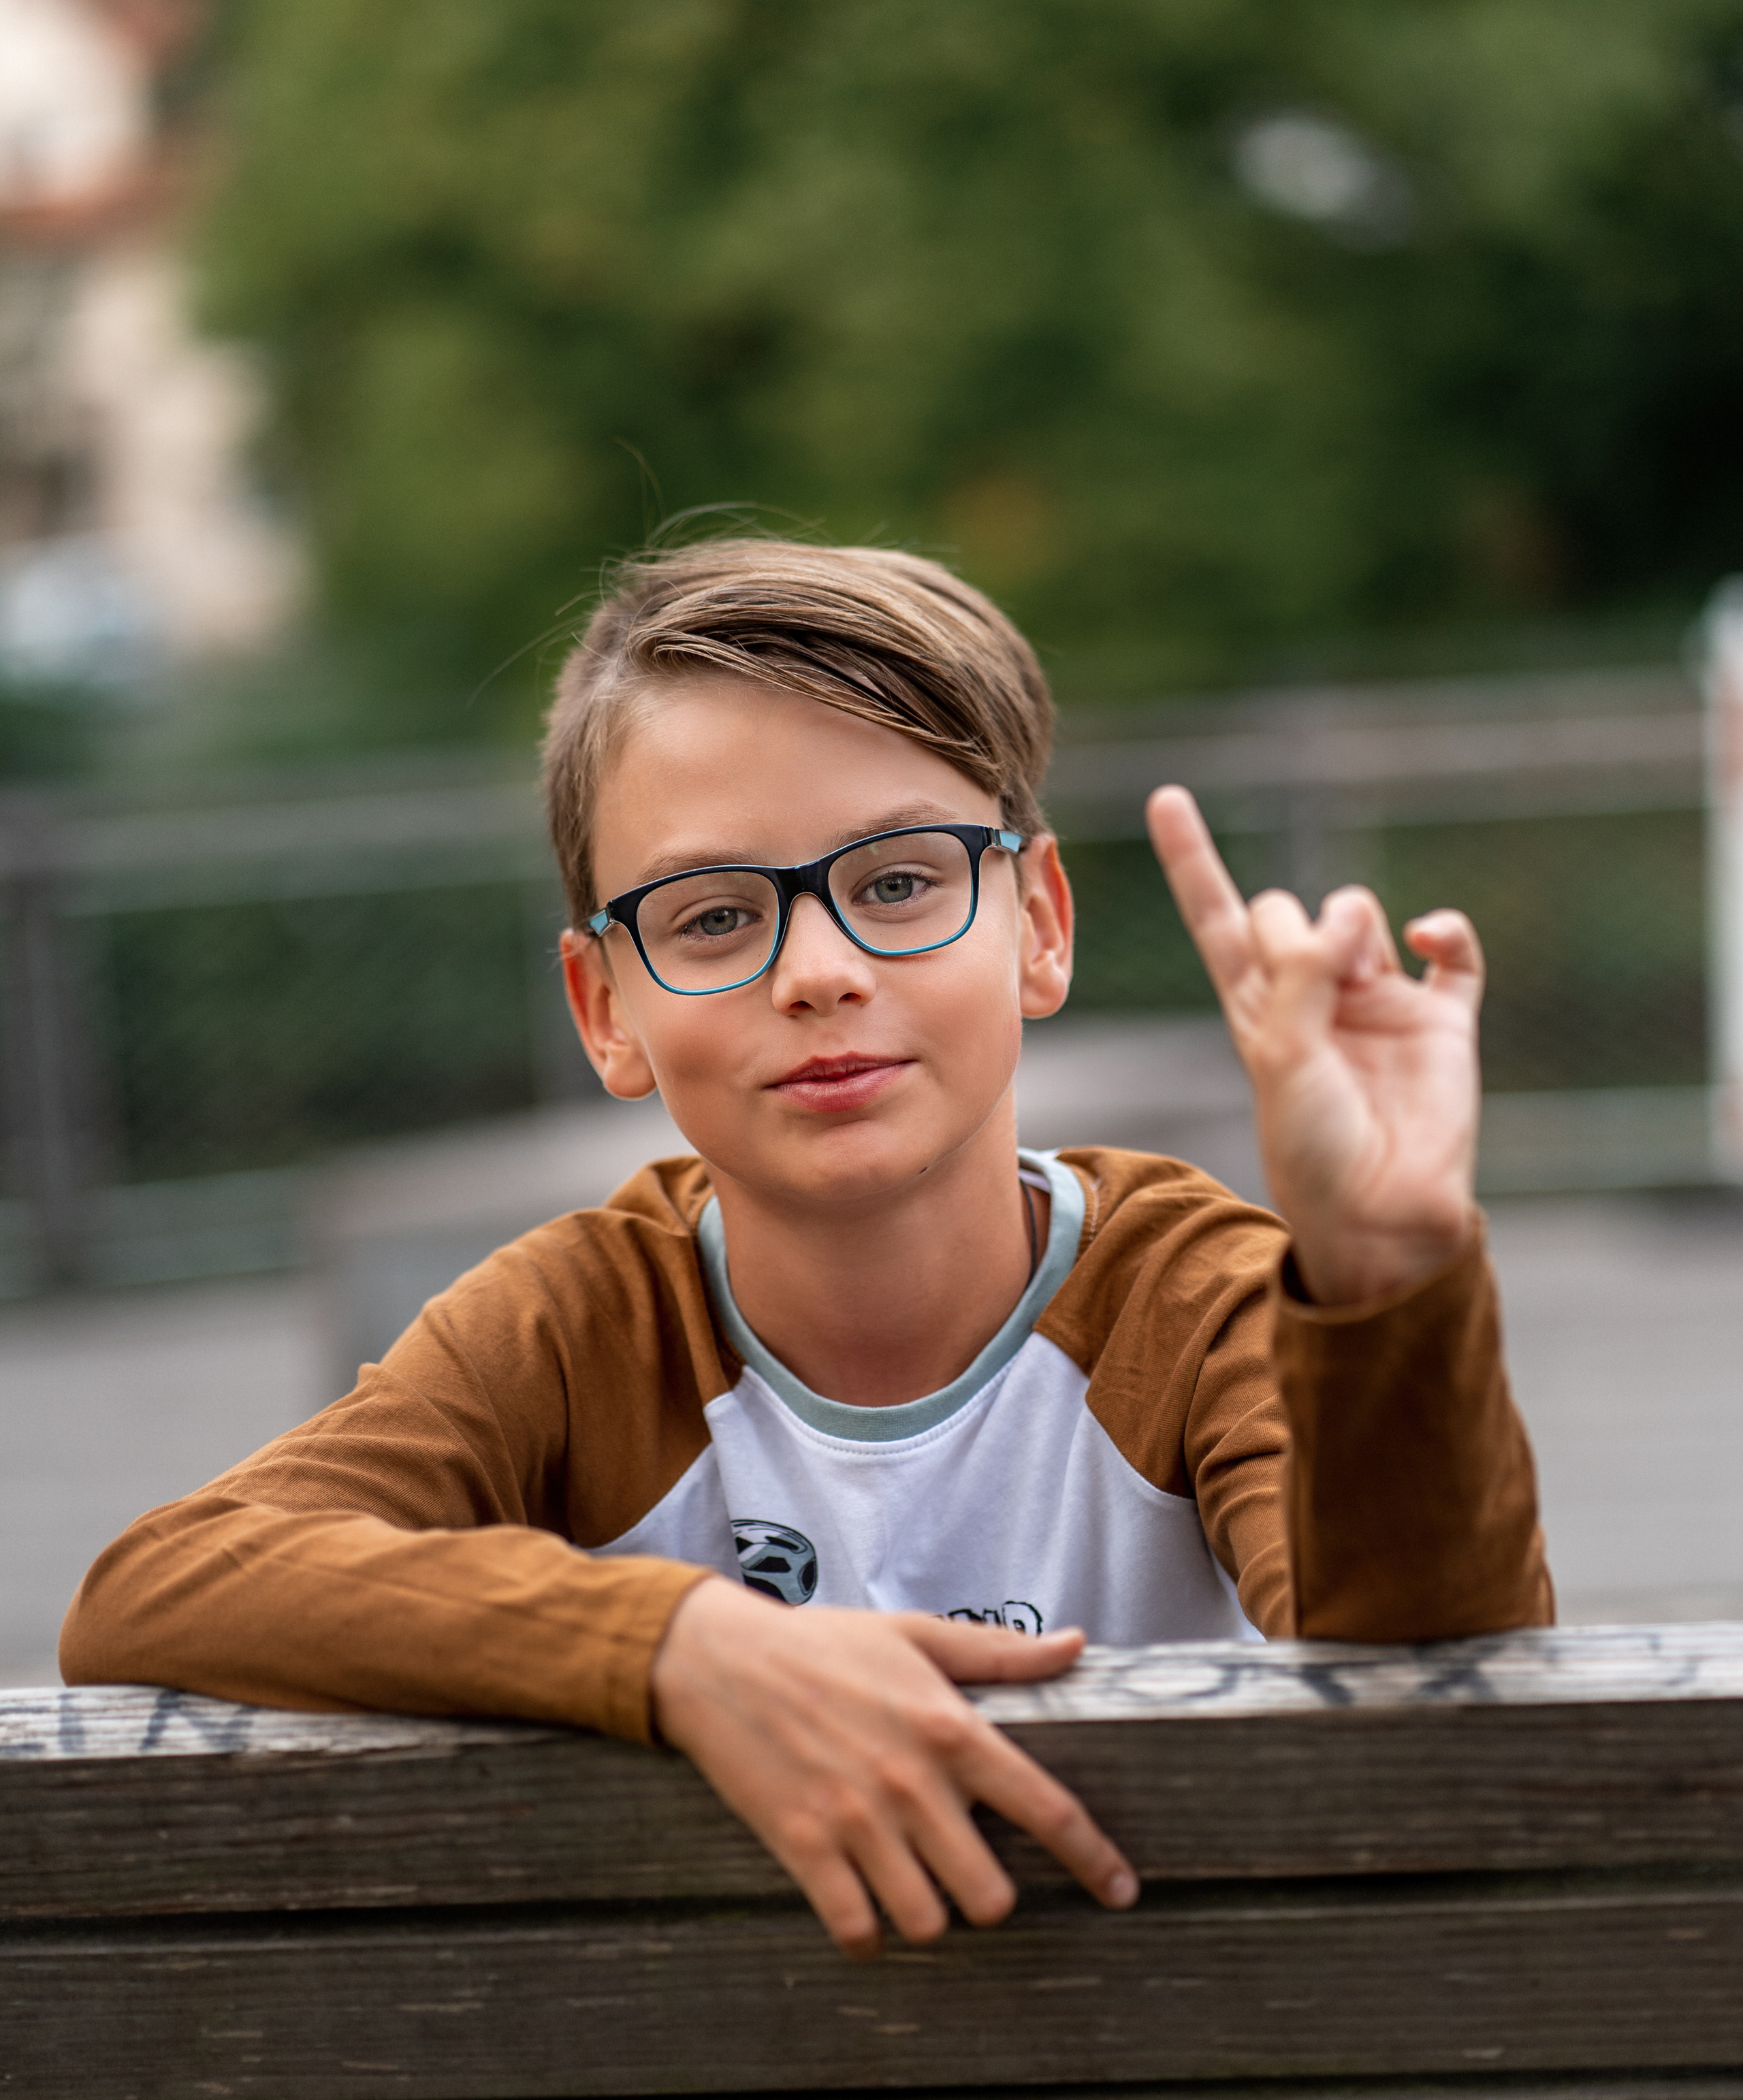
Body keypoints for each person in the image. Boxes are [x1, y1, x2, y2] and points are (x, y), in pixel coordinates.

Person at [61, 538, 1551, 1955]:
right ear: (603, 1011)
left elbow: (1427, 1654)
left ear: (1034, 922)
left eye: (898, 880)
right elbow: (159, 1589)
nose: (819, 972)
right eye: (712, 917)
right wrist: (680, 1647)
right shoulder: (570, 1332)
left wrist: (1382, 1276)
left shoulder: (1199, 1303)